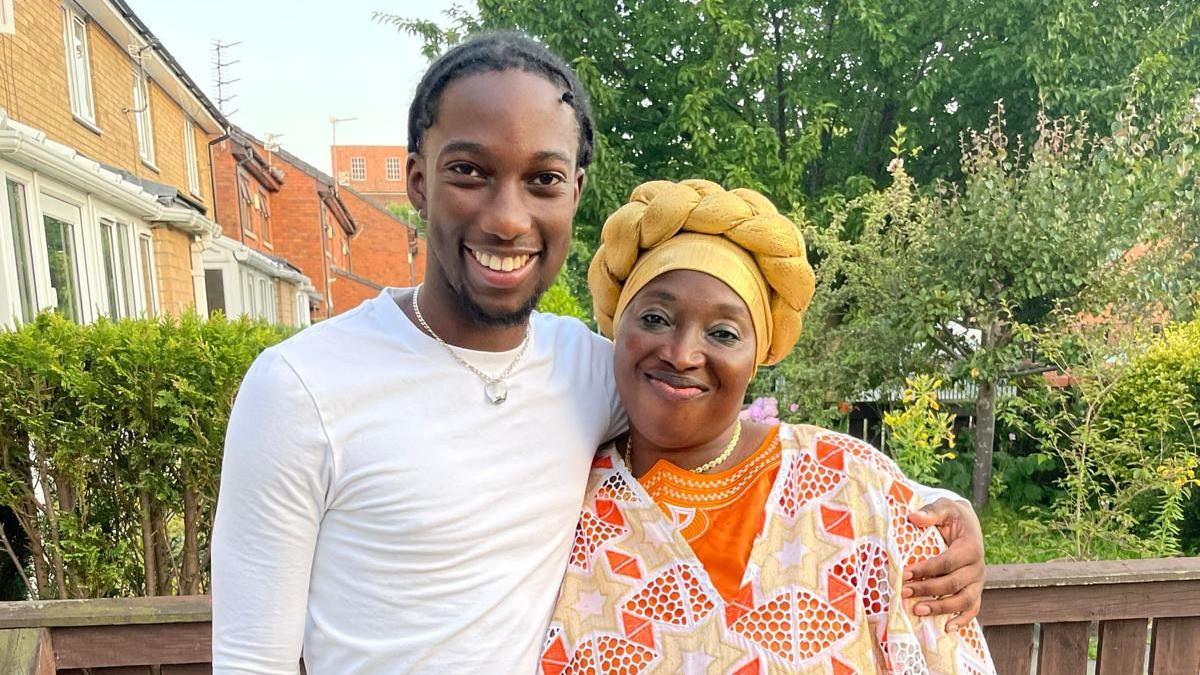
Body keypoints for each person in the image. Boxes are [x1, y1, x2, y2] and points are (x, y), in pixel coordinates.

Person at [211, 33, 985, 674]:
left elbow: (725, 423)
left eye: (541, 179)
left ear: (575, 192)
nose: (508, 217)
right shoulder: (301, 387)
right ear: (417, 180)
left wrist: (937, 511)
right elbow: (252, 660)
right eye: (470, 172)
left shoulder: (589, 366)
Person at [540, 179, 995, 673]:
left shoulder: (852, 489)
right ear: (615, 329)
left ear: (757, 356)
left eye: (723, 333)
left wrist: (951, 512)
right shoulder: (560, 505)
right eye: (654, 318)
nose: (682, 353)